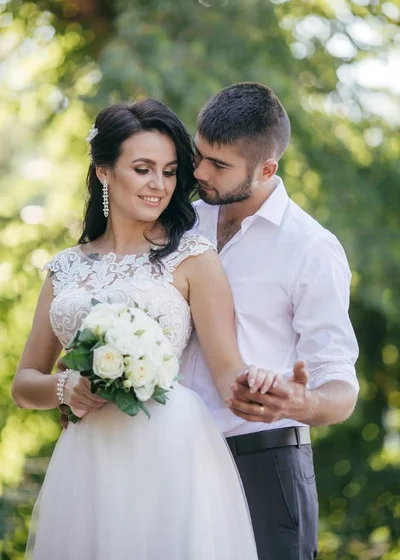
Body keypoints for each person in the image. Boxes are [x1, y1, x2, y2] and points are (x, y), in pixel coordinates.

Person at [12, 99, 271, 560]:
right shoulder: (65, 269)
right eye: (143, 168)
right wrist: (64, 386)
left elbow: (227, 369)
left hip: (170, 449)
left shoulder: (193, 257)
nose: (159, 185)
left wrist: (265, 383)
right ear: (104, 172)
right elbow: (24, 384)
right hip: (87, 457)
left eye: (170, 171)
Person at [181, 82, 359, 560]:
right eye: (199, 155)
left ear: (266, 169)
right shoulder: (179, 223)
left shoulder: (311, 248)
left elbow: (340, 385)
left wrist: (300, 402)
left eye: (218, 165)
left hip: (263, 461)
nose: (199, 171)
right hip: (171, 460)